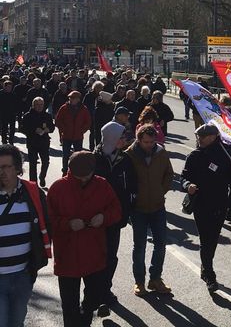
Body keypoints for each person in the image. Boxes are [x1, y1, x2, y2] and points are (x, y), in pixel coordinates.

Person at [47, 151, 121, 327]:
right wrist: (67, 224)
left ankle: (85, 315)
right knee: (69, 303)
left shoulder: (102, 185)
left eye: (86, 176)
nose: (82, 180)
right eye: (78, 177)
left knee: (94, 297)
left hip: (94, 253)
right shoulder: (58, 188)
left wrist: (103, 217)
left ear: (93, 171)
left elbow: (116, 211)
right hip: (67, 255)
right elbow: (48, 219)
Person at [181, 124, 231, 293]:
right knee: (206, 239)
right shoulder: (194, 156)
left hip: (220, 204)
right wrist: (188, 185)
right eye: (199, 136)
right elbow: (184, 177)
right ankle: (209, 273)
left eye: (204, 135)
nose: (200, 138)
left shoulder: (225, 155)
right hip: (201, 204)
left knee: (212, 239)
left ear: (214, 137)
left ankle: (206, 265)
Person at [0, 144, 52, 327]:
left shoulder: (32, 192)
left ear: (17, 169)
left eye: (6, 167)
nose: (2, 172)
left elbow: (46, 223)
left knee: (16, 321)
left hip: (23, 274)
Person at [125, 124, 174, 297]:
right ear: (139, 139)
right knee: (139, 246)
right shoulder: (129, 155)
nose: (149, 145)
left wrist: (161, 190)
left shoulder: (160, 153)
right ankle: (139, 281)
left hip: (158, 206)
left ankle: (155, 279)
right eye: (146, 142)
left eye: (152, 142)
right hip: (138, 209)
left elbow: (169, 174)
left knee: (160, 244)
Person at [93, 122, 137, 309]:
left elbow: (133, 186)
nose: (125, 140)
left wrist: (127, 209)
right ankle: (93, 291)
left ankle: (105, 290)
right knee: (95, 256)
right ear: (111, 138)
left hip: (115, 218)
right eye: (121, 137)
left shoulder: (125, 159)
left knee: (111, 256)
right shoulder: (93, 160)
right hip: (94, 220)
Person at [55, 90, 92, 175]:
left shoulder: (84, 109)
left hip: (78, 137)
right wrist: (64, 129)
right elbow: (58, 121)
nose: (71, 99)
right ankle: (65, 171)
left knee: (78, 156)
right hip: (66, 136)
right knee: (65, 155)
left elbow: (88, 122)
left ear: (78, 99)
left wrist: (82, 130)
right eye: (70, 98)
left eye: (73, 98)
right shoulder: (64, 108)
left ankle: (76, 172)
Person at [21, 97, 55, 187]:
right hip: (32, 142)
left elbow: (52, 127)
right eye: (37, 105)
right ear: (33, 105)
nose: (40, 107)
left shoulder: (47, 115)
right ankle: (33, 184)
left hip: (44, 142)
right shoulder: (27, 115)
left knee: (46, 162)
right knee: (33, 164)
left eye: (41, 105)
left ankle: (42, 177)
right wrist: (34, 130)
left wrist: (48, 129)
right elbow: (23, 128)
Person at [83, 81, 104, 150]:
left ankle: (98, 148)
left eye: (101, 88)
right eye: (98, 88)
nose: (99, 89)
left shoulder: (102, 96)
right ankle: (91, 148)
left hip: (99, 117)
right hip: (90, 116)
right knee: (92, 133)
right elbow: (84, 106)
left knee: (99, 133)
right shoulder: (89, 95)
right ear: (94, 88)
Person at [0, 80, 19, 145]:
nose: (9, 88)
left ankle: (11, 141)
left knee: (12, 129)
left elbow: (17, 104)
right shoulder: (1, 94)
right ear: (4, 87)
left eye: (10, 87)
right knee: (4, 128)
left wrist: (16, 112)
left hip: (12, 114)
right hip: (3, 114)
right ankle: (4, 141)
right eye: (8, 87)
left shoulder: (13, 94)